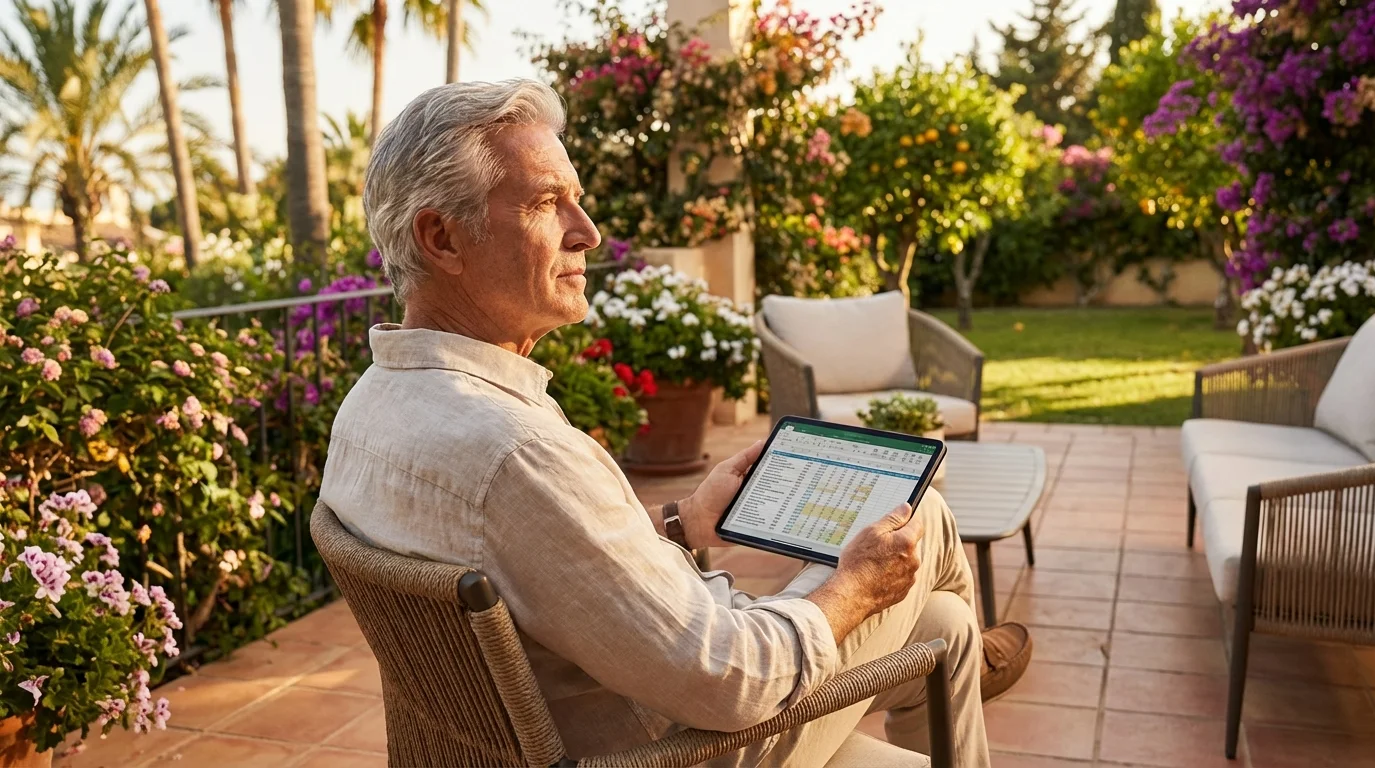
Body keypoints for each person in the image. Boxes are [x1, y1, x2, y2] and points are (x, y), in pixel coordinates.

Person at [320, 79, 1032, 767]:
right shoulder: (514, 451)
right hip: (677, 747)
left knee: (945, 627)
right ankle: (976, 645)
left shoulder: (371, 409)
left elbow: (549, 574)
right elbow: (729, 680)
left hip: (577, 719)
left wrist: (681, 526)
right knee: (922, 516)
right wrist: (851, 589)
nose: (589, 234)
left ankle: (974, 642)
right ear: (441, 239)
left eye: (579, 202)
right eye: (547, 203)